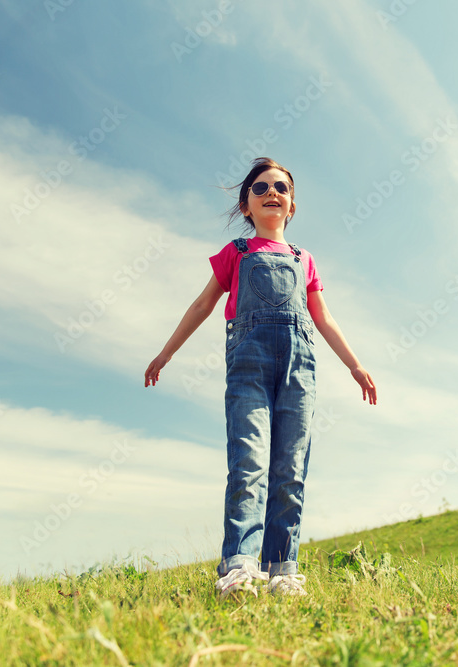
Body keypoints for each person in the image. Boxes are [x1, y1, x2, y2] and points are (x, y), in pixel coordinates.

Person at [144, 157, 376, 598]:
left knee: (290, 468)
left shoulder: (302, 258)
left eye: (282, 188)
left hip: (298, 368)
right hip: (248, 366)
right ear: (246, 204)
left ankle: (283, 570)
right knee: (249, 463)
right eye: (261, 187)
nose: (273, 192)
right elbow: (201, 306)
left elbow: (322, 317)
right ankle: (240, 568)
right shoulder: (237, 252)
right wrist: (166, 352)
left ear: (291, 207)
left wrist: (355, 364)